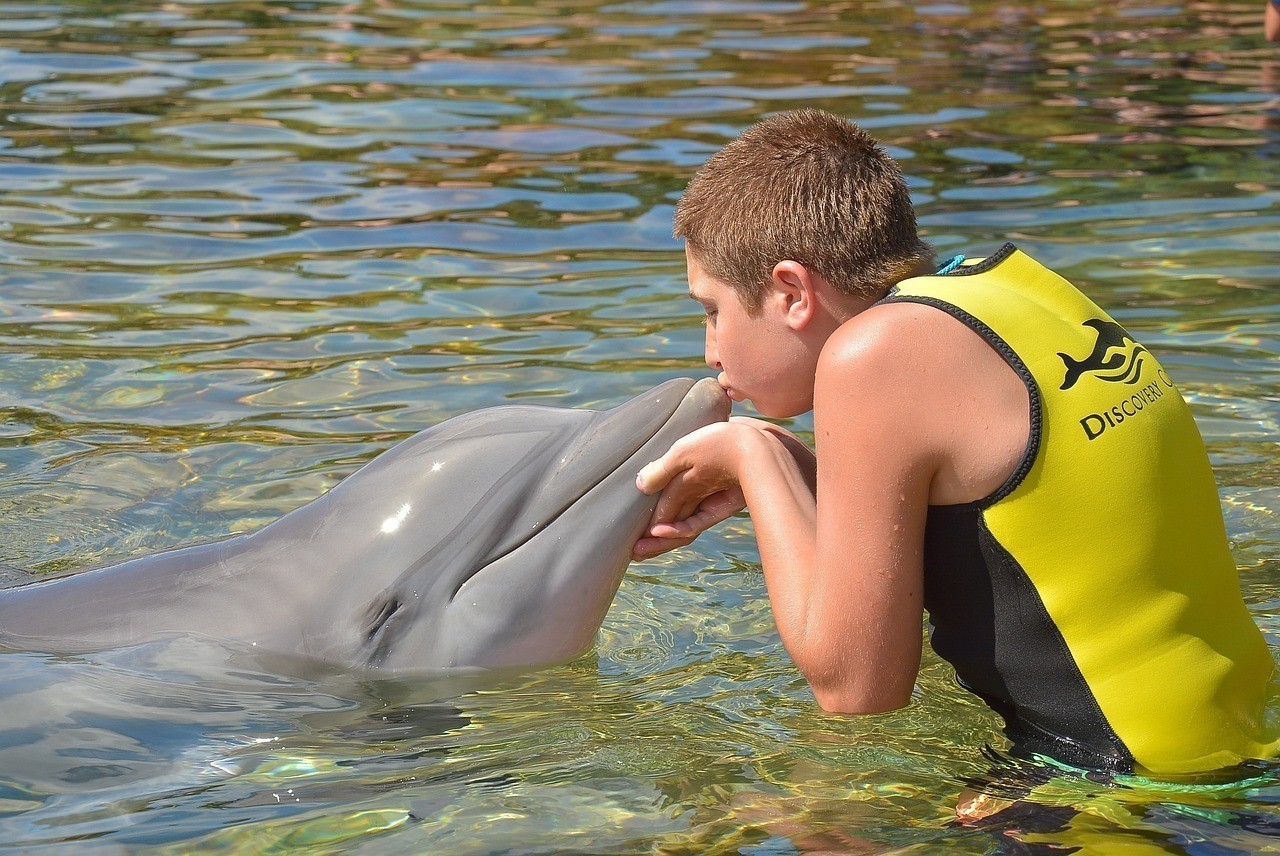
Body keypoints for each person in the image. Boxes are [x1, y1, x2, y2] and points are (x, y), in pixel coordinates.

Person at [631, 108, 1276, 777]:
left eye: (712, 311)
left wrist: (754, 455)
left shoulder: (873, 354)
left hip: (1134, 786)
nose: (710, 351)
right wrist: (793, 472)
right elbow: (1004, 523)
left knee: (787, 819)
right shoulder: (1008, 289)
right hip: (1238, 730)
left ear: (793, 291)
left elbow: (856, 690)